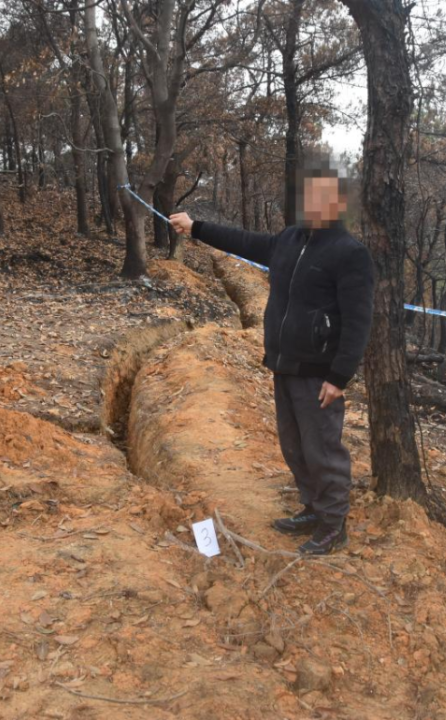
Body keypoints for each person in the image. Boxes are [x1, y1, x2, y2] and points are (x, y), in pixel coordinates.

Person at [169, 156, 375, 555]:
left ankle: (333, 525)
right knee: (294, 446)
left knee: (322, 450)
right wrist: (195, 228)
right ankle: (312, 508)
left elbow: (359, 320)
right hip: (284, 364)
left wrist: (340, 377)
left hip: (319, 373)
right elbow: (244, 241)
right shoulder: (290, 240)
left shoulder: (350, 253)